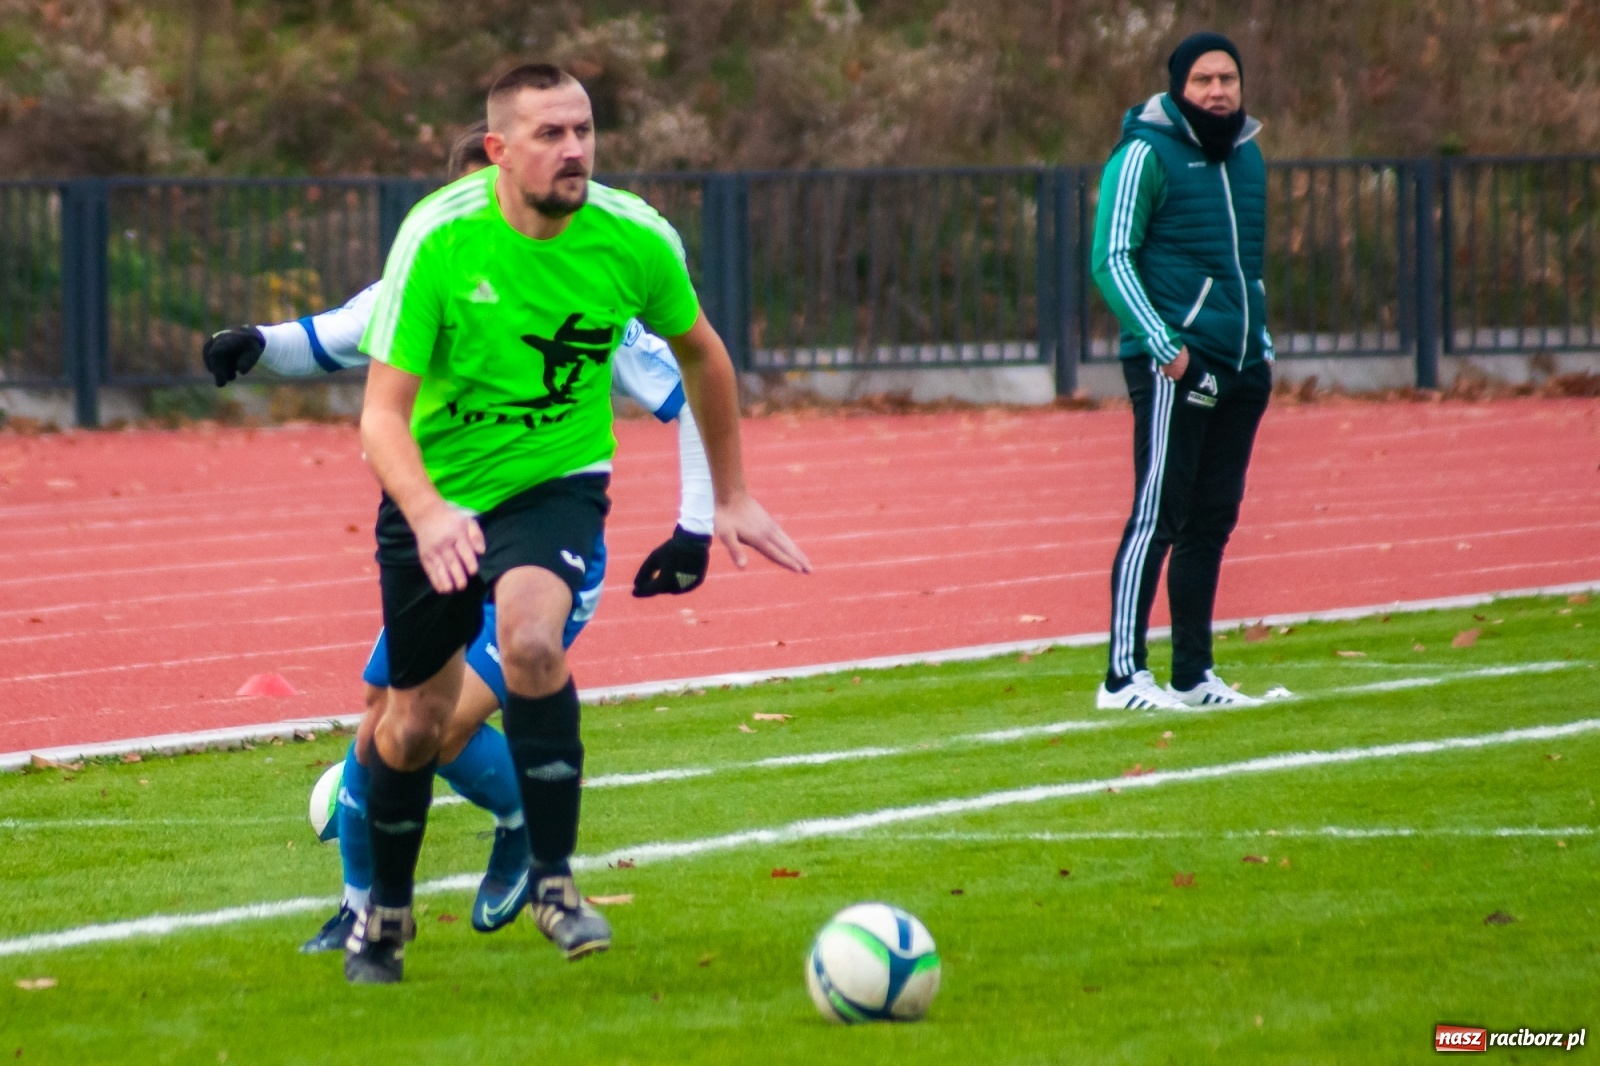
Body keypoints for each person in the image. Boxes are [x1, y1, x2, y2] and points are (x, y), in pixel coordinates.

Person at [203, 124, 720, 953]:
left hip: (544, 542)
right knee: (386, 721)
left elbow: (692, 389)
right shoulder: (433, 264)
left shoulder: (591, 289)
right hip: (446, 539)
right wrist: (257, 345)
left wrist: (698, 520)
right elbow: (335, 335)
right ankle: (362, 908)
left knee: (438, 729)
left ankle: (520, 822)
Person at [349, 63, 809, 983]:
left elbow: (705, 358)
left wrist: (731, 495)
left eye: (584, 131)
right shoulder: (440, 237)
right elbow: (380, 416)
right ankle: (385, 917)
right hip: (437, 496)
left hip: (555, 486)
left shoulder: (633, 237)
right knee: (409, 729)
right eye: (552, 135)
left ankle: (557, 884)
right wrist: (430, 512)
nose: (575, 151)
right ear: (498, 149)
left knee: (530, 642)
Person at [1090, 31, 1274, 711]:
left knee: (1211, 521)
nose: (1218, 90)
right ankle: (1121, 676)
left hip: (1243, 365)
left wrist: (1263, 344)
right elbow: (1112, 258)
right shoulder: (1144, 152)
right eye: (1203, 80)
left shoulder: (1249, 154)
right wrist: (1167, 349)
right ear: (1178, 87)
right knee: (1157, 516)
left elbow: (1246, 266)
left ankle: (1192, 675)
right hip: (1175, 364)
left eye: (1227, 78)